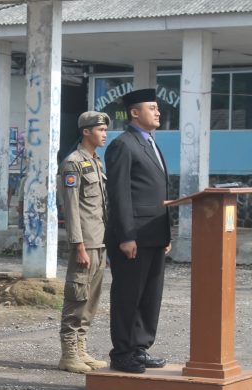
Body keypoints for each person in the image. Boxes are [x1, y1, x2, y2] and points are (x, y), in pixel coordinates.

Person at [104, 88, 172, 374]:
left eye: (157, 108)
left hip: (153, 234)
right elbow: (119, 195)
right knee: (128, 296)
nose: (157, 112)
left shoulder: (150, 143)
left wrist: (165, 234)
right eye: (151, 108)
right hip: (133, 236)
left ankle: (139, 348)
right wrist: (126, 236)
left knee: (149, 297)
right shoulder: (123, 144)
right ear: (134, 113)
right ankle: (122, 353)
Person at [57, 111, 110, 374]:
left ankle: (80, 348)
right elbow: (71, 208)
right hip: (85, 243)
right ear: (86, 132)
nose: (104, 134)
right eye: (100, 130)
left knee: (91, 300)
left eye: (105, 130)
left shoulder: (95, 161)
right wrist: (78, 245)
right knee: (77, 296)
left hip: (99, 241)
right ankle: (68, 353)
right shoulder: (73, 163)